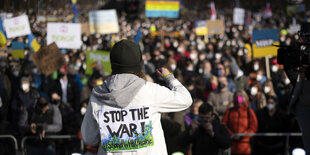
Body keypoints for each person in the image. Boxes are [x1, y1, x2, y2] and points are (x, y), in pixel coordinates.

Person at [81, 40, 192, 154]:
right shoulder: (150, 91)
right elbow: (185, 99)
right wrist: (169, 77)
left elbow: (89, 138)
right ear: (139, 64)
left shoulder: (99, 94)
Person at [222, 90, 258, 155]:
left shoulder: (249, 111)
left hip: (245, 146)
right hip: (231, 146)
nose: (239, 98)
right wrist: (232, 134)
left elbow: (253, 127)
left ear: (245, 98)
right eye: (237, 96)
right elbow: (224, 125)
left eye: (241, 96)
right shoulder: (229, 111)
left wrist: (242, 135)